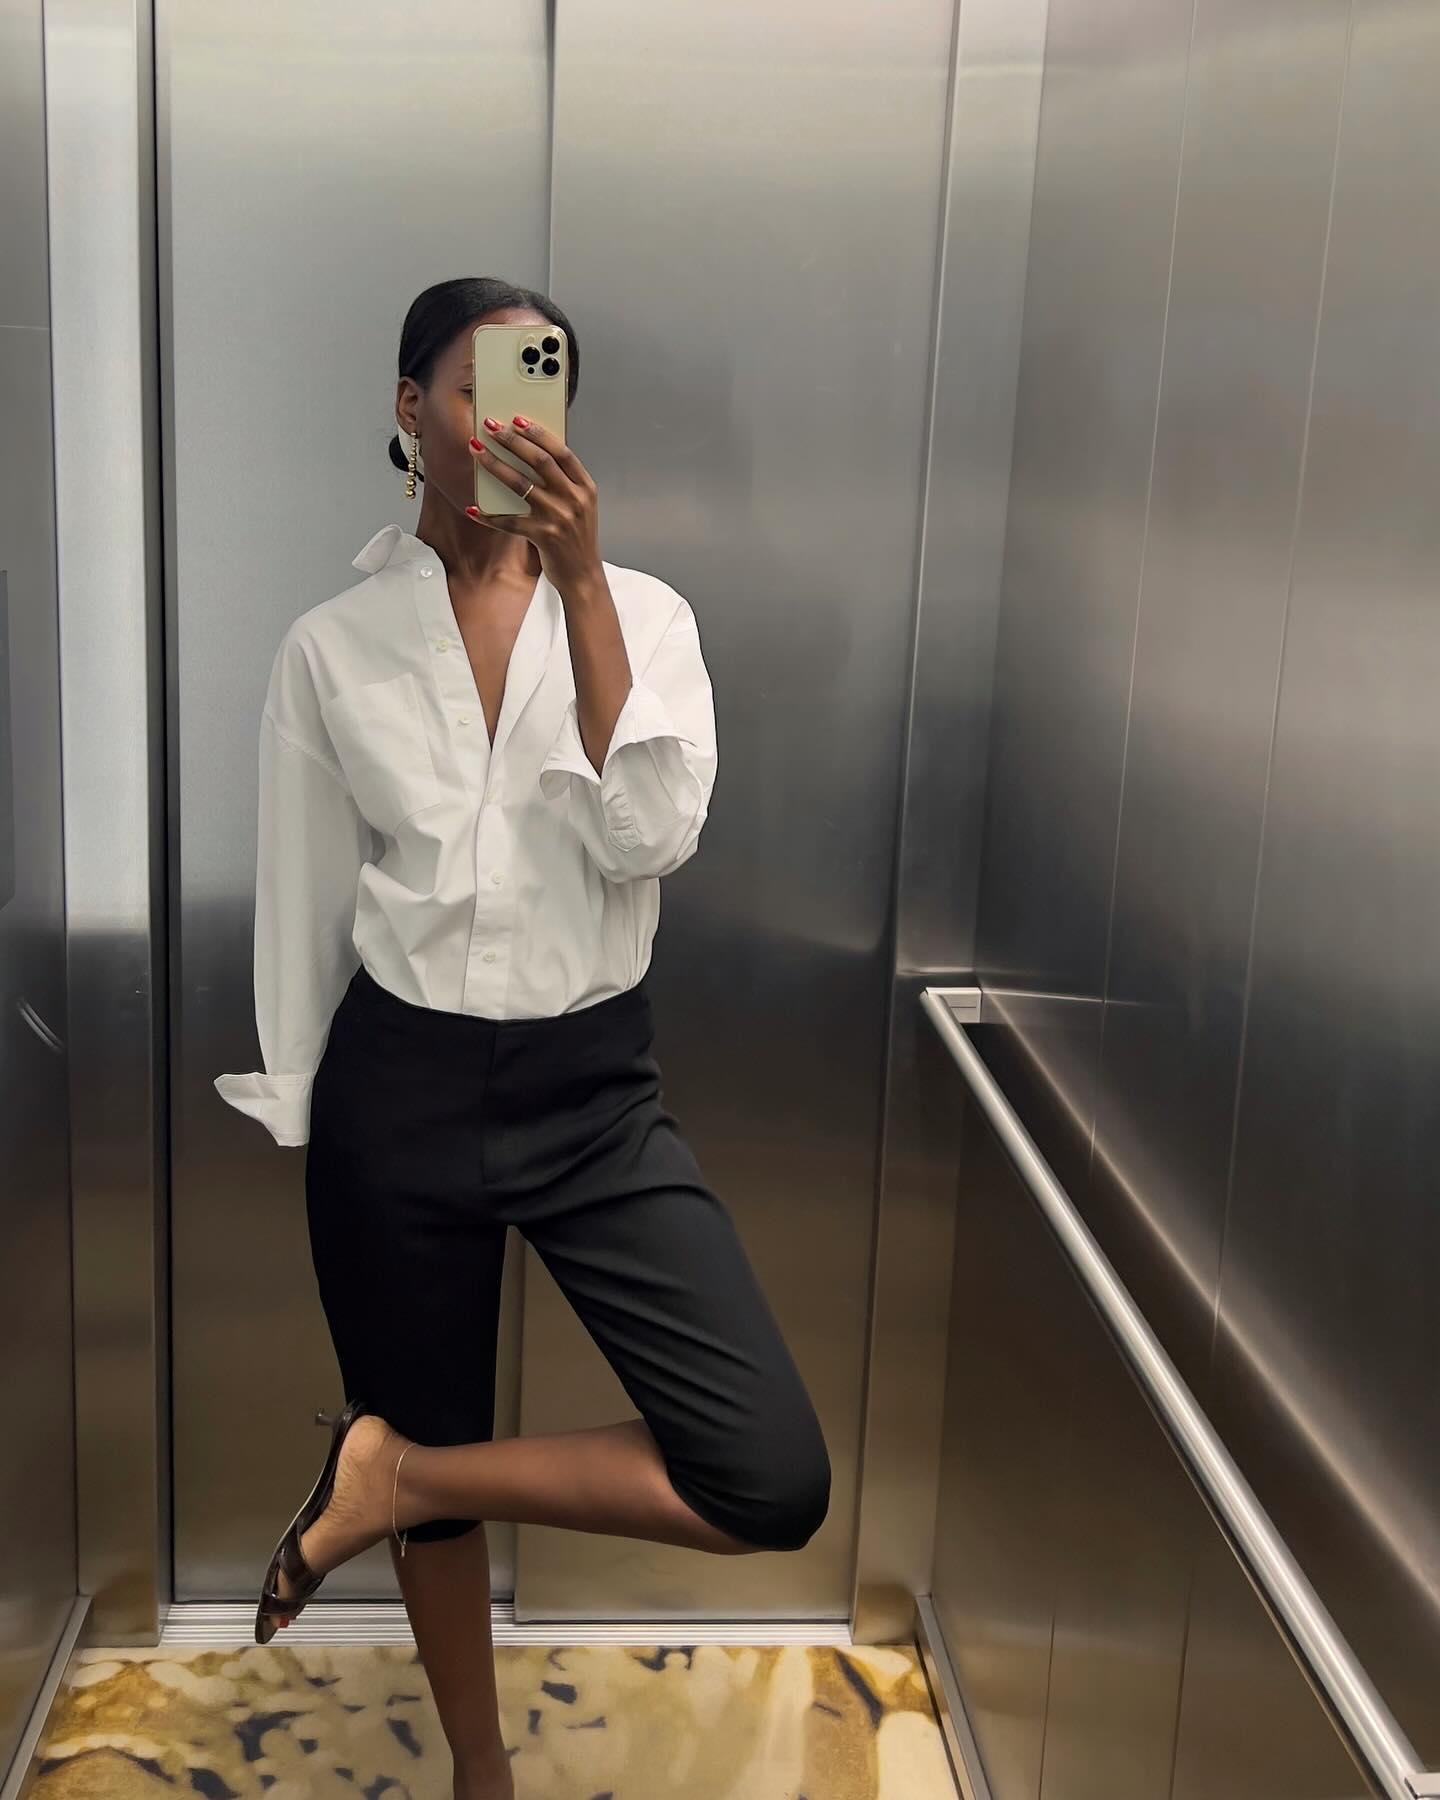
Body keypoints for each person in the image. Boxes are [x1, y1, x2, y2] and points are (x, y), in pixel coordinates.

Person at [213, 277, 830, 1800]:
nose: (508, 421)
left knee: (766, 1473)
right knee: (426, 1436)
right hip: (398, 1091)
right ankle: (480, 1771)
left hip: (594, 1093)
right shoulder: (332, 646)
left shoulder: (646, 616)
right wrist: (306, 1109)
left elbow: (651, 837)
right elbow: (303, 895)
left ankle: (390, 1474)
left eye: (537, 386)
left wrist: (587, 583)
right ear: (409, 407)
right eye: (474, 386)